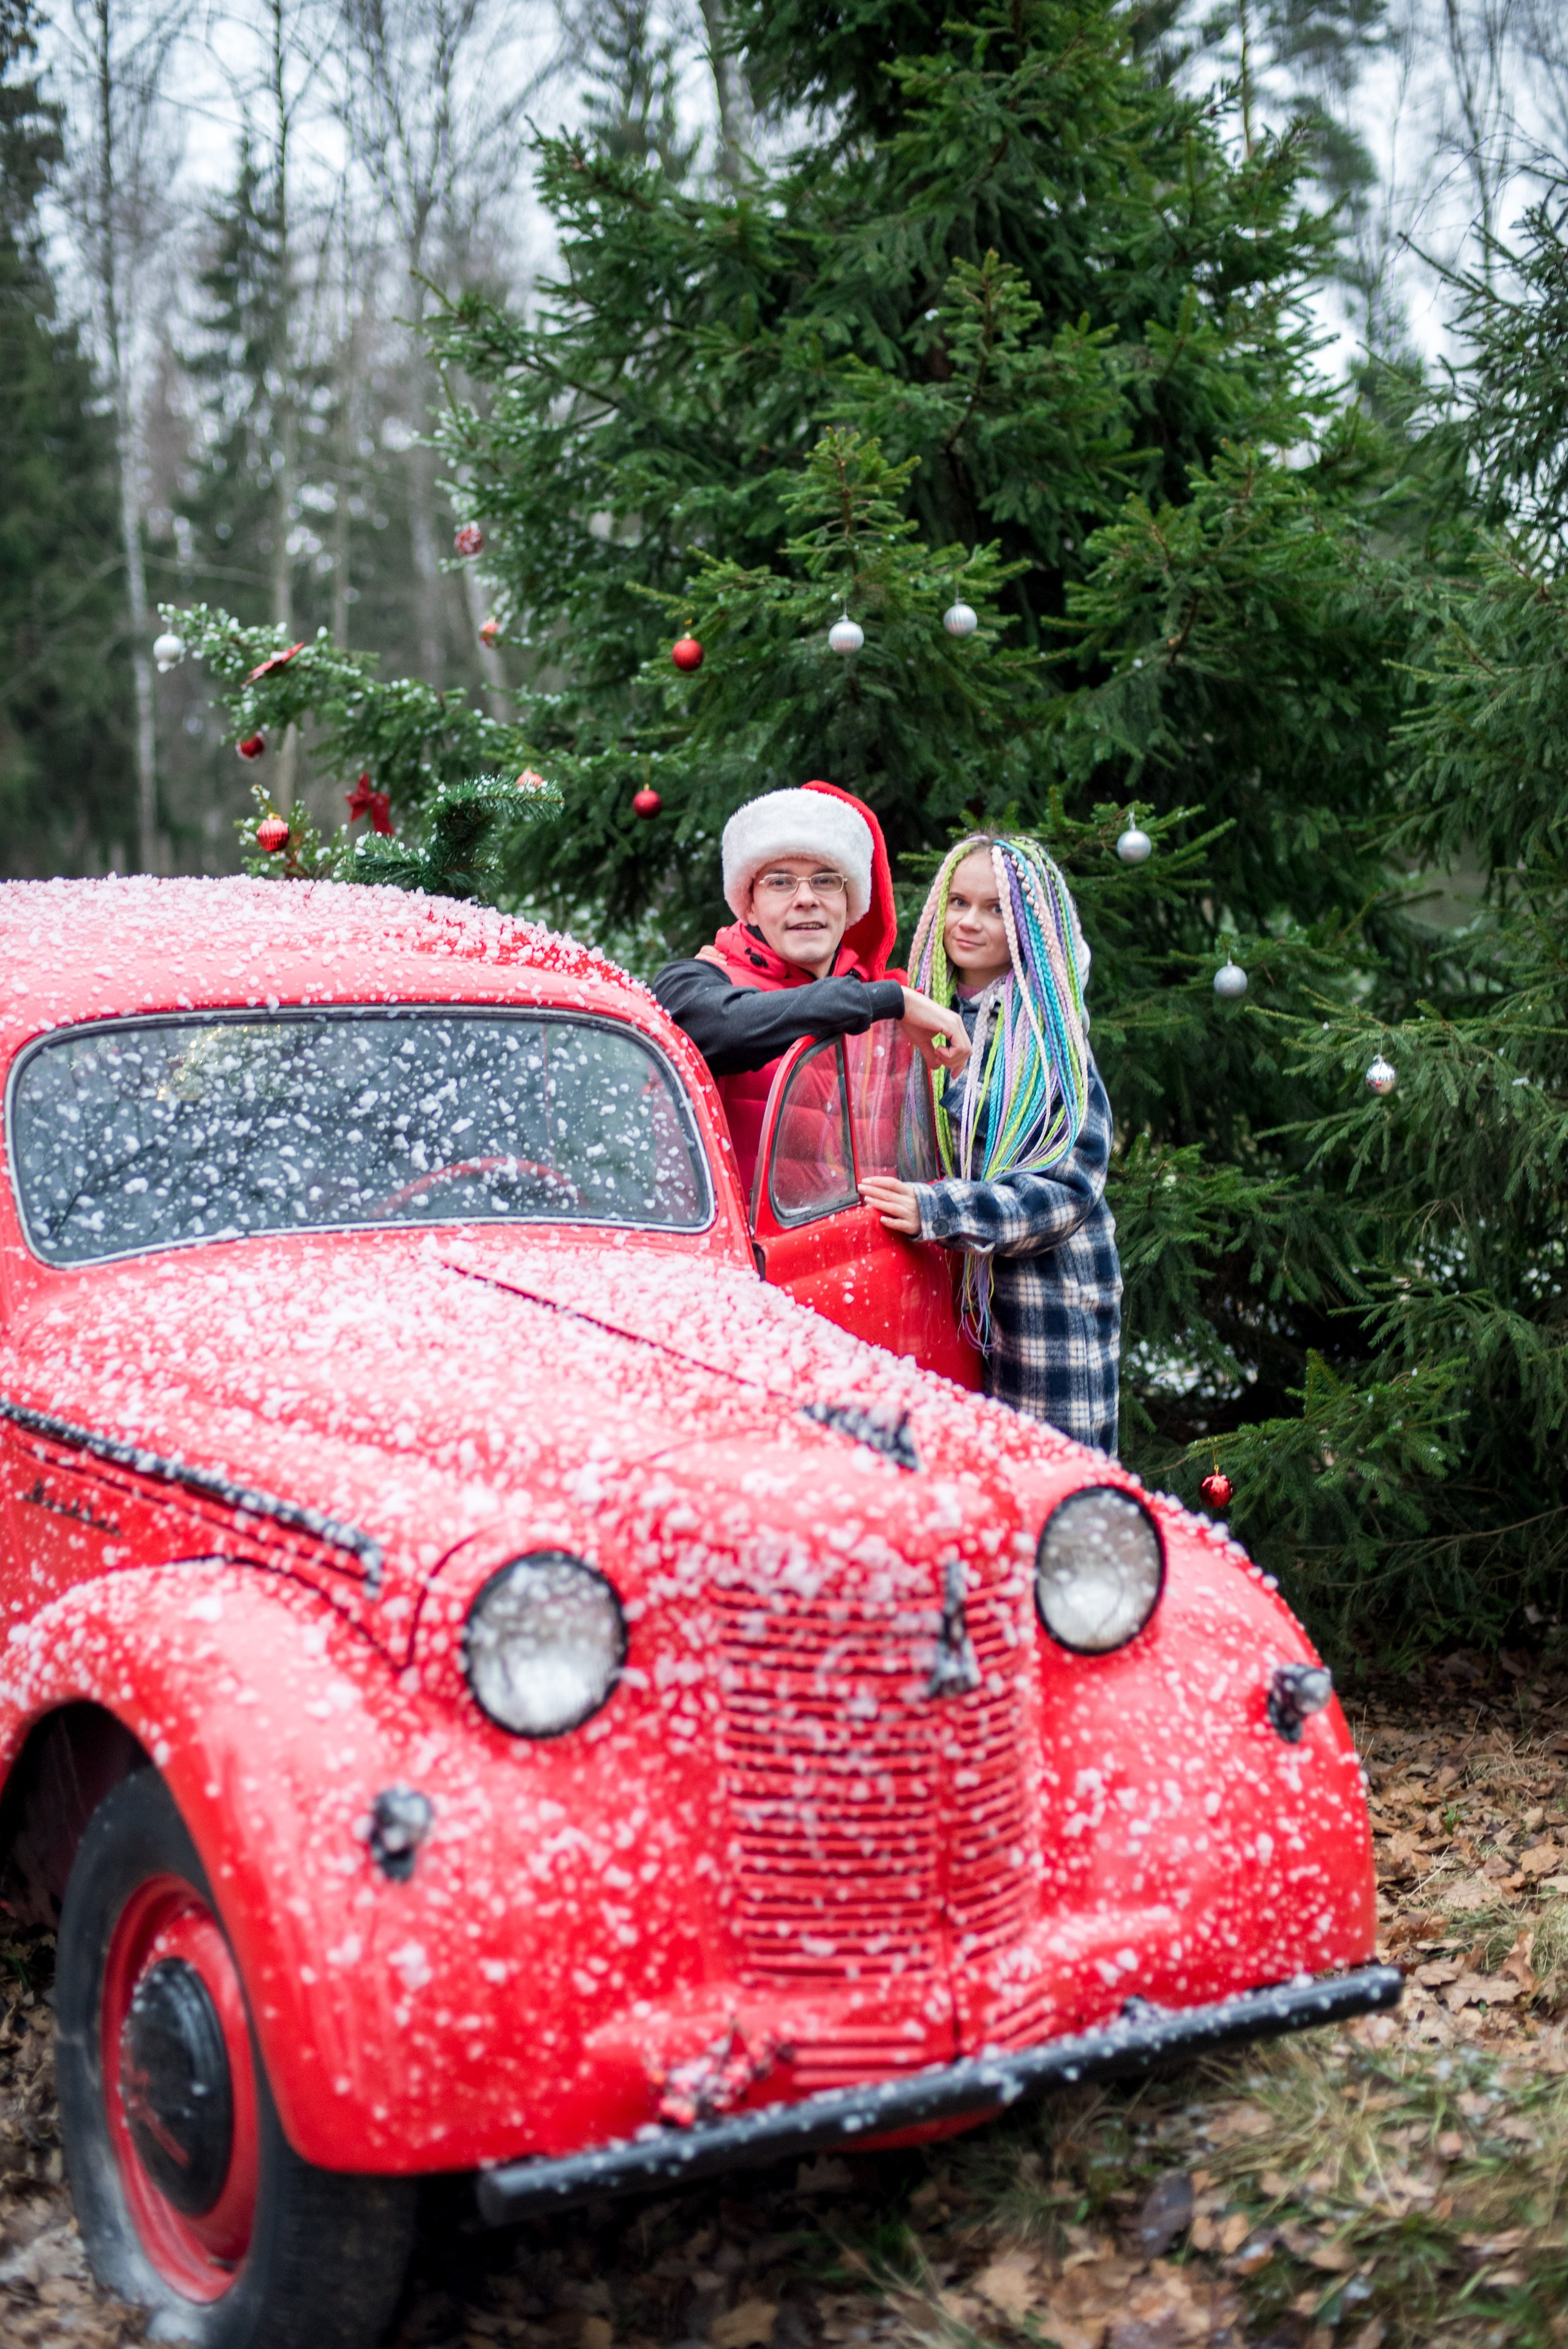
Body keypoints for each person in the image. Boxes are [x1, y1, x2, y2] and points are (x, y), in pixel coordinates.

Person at [857, 834, 1121, 1456]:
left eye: (995, 908)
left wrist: (939, 1210)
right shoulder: (922, 1019)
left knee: (1045, 1490)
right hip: (942, 1302)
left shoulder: (1050, 1046)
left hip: (1044, 1312)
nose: (968, 922)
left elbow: (1066, 1192)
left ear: (1030, 925)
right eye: (957, 902)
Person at [653, 782, 968, 1198]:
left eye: (825, 881)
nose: (805, 899)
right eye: (780, 882)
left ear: (850, 902)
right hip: (753, 1261)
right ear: (749, 903)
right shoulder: (693, 981)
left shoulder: (900, 1016)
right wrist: (887, 1001)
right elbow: (719, 1027)